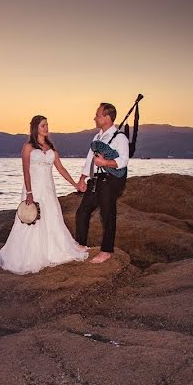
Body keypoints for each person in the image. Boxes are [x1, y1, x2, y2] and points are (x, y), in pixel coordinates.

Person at [0, 115, 89, 274]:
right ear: (35, 128)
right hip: (34, 189)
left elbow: (61, 169)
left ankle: (52, 251)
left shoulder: (52, 149)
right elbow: (26, 171)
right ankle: (28, 255)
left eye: (47, 125)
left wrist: (75, 184)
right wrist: (29, 192)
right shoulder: (28, 147)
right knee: (32, 220)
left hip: (49, 190)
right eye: (43, 126)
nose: (46, 128)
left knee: (52, 217)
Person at [74, 103, 130, 264]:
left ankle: (106, 251)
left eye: (97, 115)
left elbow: (123, 161)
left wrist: (105, 162)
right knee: (82, 211)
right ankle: (82, 244)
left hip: (111, 180)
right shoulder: (97, 137)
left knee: (107, 214)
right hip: (96, 179)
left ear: (107, 117)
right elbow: (89, 159)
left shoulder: (120, 138)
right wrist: (82, 179)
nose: (95, 118)